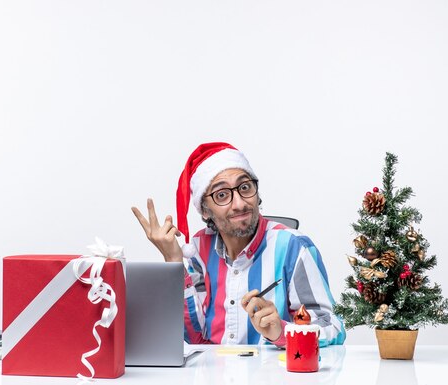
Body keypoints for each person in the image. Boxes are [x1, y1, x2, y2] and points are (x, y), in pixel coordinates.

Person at [132, 142, 346, 347]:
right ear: (205, 210)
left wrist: (282, 331)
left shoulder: (293, 247)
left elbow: (333, 327)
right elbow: (194, 337)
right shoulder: (199, 248)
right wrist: (173, 262)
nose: (240, 203)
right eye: (222, 194)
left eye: (245, 187)